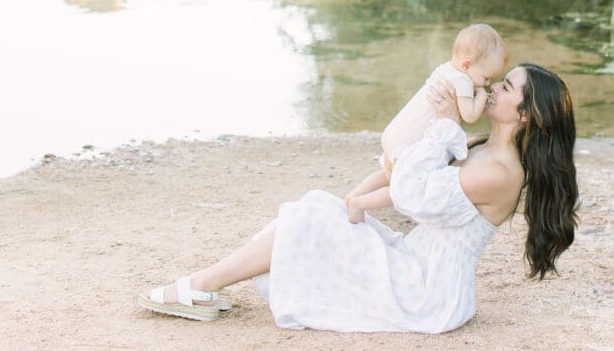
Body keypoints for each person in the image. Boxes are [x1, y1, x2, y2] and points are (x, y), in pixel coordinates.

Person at [138, 63, 578, 333]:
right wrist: (352, 198)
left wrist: (444, 124)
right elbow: (400, 170)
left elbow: (410, 193)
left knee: (312, 217)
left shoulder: (500, 172)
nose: (494, 88)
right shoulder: (485, 149)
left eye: (506, 87)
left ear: (524, 114)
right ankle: (204, 287)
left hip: (425, 291)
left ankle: (198, 288)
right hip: (412, 262)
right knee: (314, 210)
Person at [345, 23, 507, 223]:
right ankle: (359, 204)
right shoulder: (464, 81)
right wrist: (482, 95)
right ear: (467, 65)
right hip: (411, 144)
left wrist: (477, 97)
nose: (487, 83)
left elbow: (458, 109)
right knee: (407, 188)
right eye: (486, 78)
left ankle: (352, 196)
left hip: (397, 133)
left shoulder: (446, 70)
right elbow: (470, 116)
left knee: (388, 175)